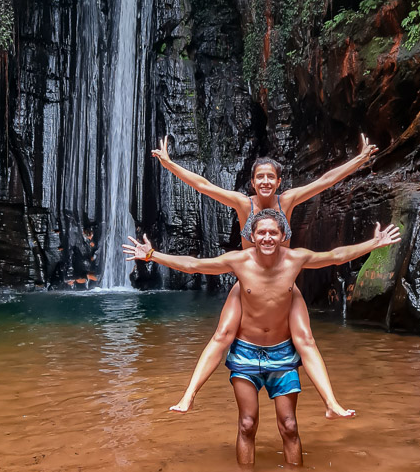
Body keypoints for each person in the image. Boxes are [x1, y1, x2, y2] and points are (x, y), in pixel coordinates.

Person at [123, 212, 401, 466]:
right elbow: (194, 265)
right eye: (261, 233)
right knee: (247, 423)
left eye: (273, 233)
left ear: (283, 237)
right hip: (245, 353)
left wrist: (373, 244)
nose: (267, 237)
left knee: (289, 425)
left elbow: (336, 255)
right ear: (252, 237)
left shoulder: (295, 259)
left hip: (282, 354)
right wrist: (152, 256)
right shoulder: (239, 261)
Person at [151, 134, 378, 418]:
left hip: (284, 283)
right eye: (261, 177)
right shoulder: (243, 204)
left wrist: (359, 159)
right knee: (222, 334)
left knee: (306, 339)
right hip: (249, 280)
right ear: (253, 181)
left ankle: (331, 404)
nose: (266, 182)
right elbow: (203, 185)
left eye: (271, 177)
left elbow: (325, 182)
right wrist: (169, 164)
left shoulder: (289, 200)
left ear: (278, 181)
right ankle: (188, 395)